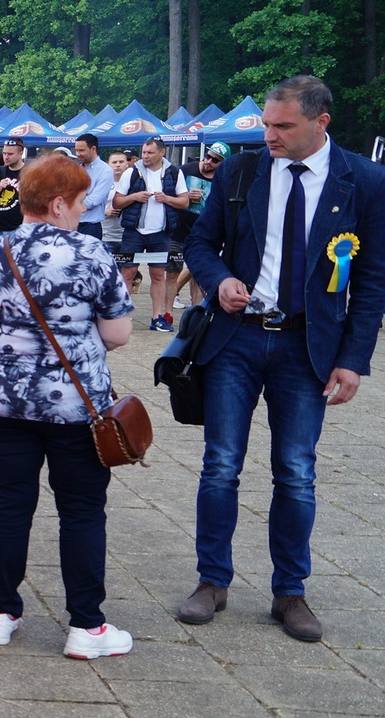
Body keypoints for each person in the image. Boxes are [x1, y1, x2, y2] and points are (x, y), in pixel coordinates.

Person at [177, 75, 385, 642]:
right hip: (235, 340)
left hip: (307, 347)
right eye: (267, 124)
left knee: (296, 472)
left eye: (283, 126)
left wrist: (354, 359)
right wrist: (219, 279)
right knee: (220, 464)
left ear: (321, 122)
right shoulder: (242, 170)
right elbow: (200, 243)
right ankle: (211, 581)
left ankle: (290, 591)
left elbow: (371, 281)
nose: (269, 135)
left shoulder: (363, 181)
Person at [0, 154, 136, 659]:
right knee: (81, 510)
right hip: (74, 407)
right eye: (79, 202)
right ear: (58, 204)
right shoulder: (91, 252)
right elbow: (119, 333)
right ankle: (86, 626)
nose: (82, 211)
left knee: (7, 503)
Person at [111, 136, 189, 332]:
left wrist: (167, 199)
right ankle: (122, 316)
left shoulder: (174, 172)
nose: (145, 156)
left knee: (158, 274)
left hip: (161, 233)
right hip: (134, 231)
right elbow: (117, 202)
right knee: (128, 272)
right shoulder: (132, 172)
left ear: (162, 152)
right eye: (144, 152)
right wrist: (135, 197)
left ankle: (157, 317)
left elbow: (184, 202)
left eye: (150, 152)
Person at [171, 142, 229, 309]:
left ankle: (196, 309)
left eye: (215, 160)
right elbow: (168, 193)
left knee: (198, 270)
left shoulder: (222, 179)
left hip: (202, 231)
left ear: (222, 163)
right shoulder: (186, 170)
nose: (208, 161)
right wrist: (185, 196)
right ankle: (172, 296)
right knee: (173, 270)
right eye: (208, 156)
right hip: (179, 228)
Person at [72, 133, 112, 240]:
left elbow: (93, 201)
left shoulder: (105, 171)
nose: (78, 154)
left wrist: (69, 205)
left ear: (93, 149)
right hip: (72, 225)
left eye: (81, 150)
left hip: (90, 227)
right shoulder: (76, 169)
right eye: (76, 150)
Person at [101, 151, 129, 253]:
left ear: (127, 164)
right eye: (114, 162)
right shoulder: (102, 183)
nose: (118, 165)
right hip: (105, 235)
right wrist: (105, 211)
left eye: (121, 162)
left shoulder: (133, 183)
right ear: (108, 164)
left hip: (127, 236)